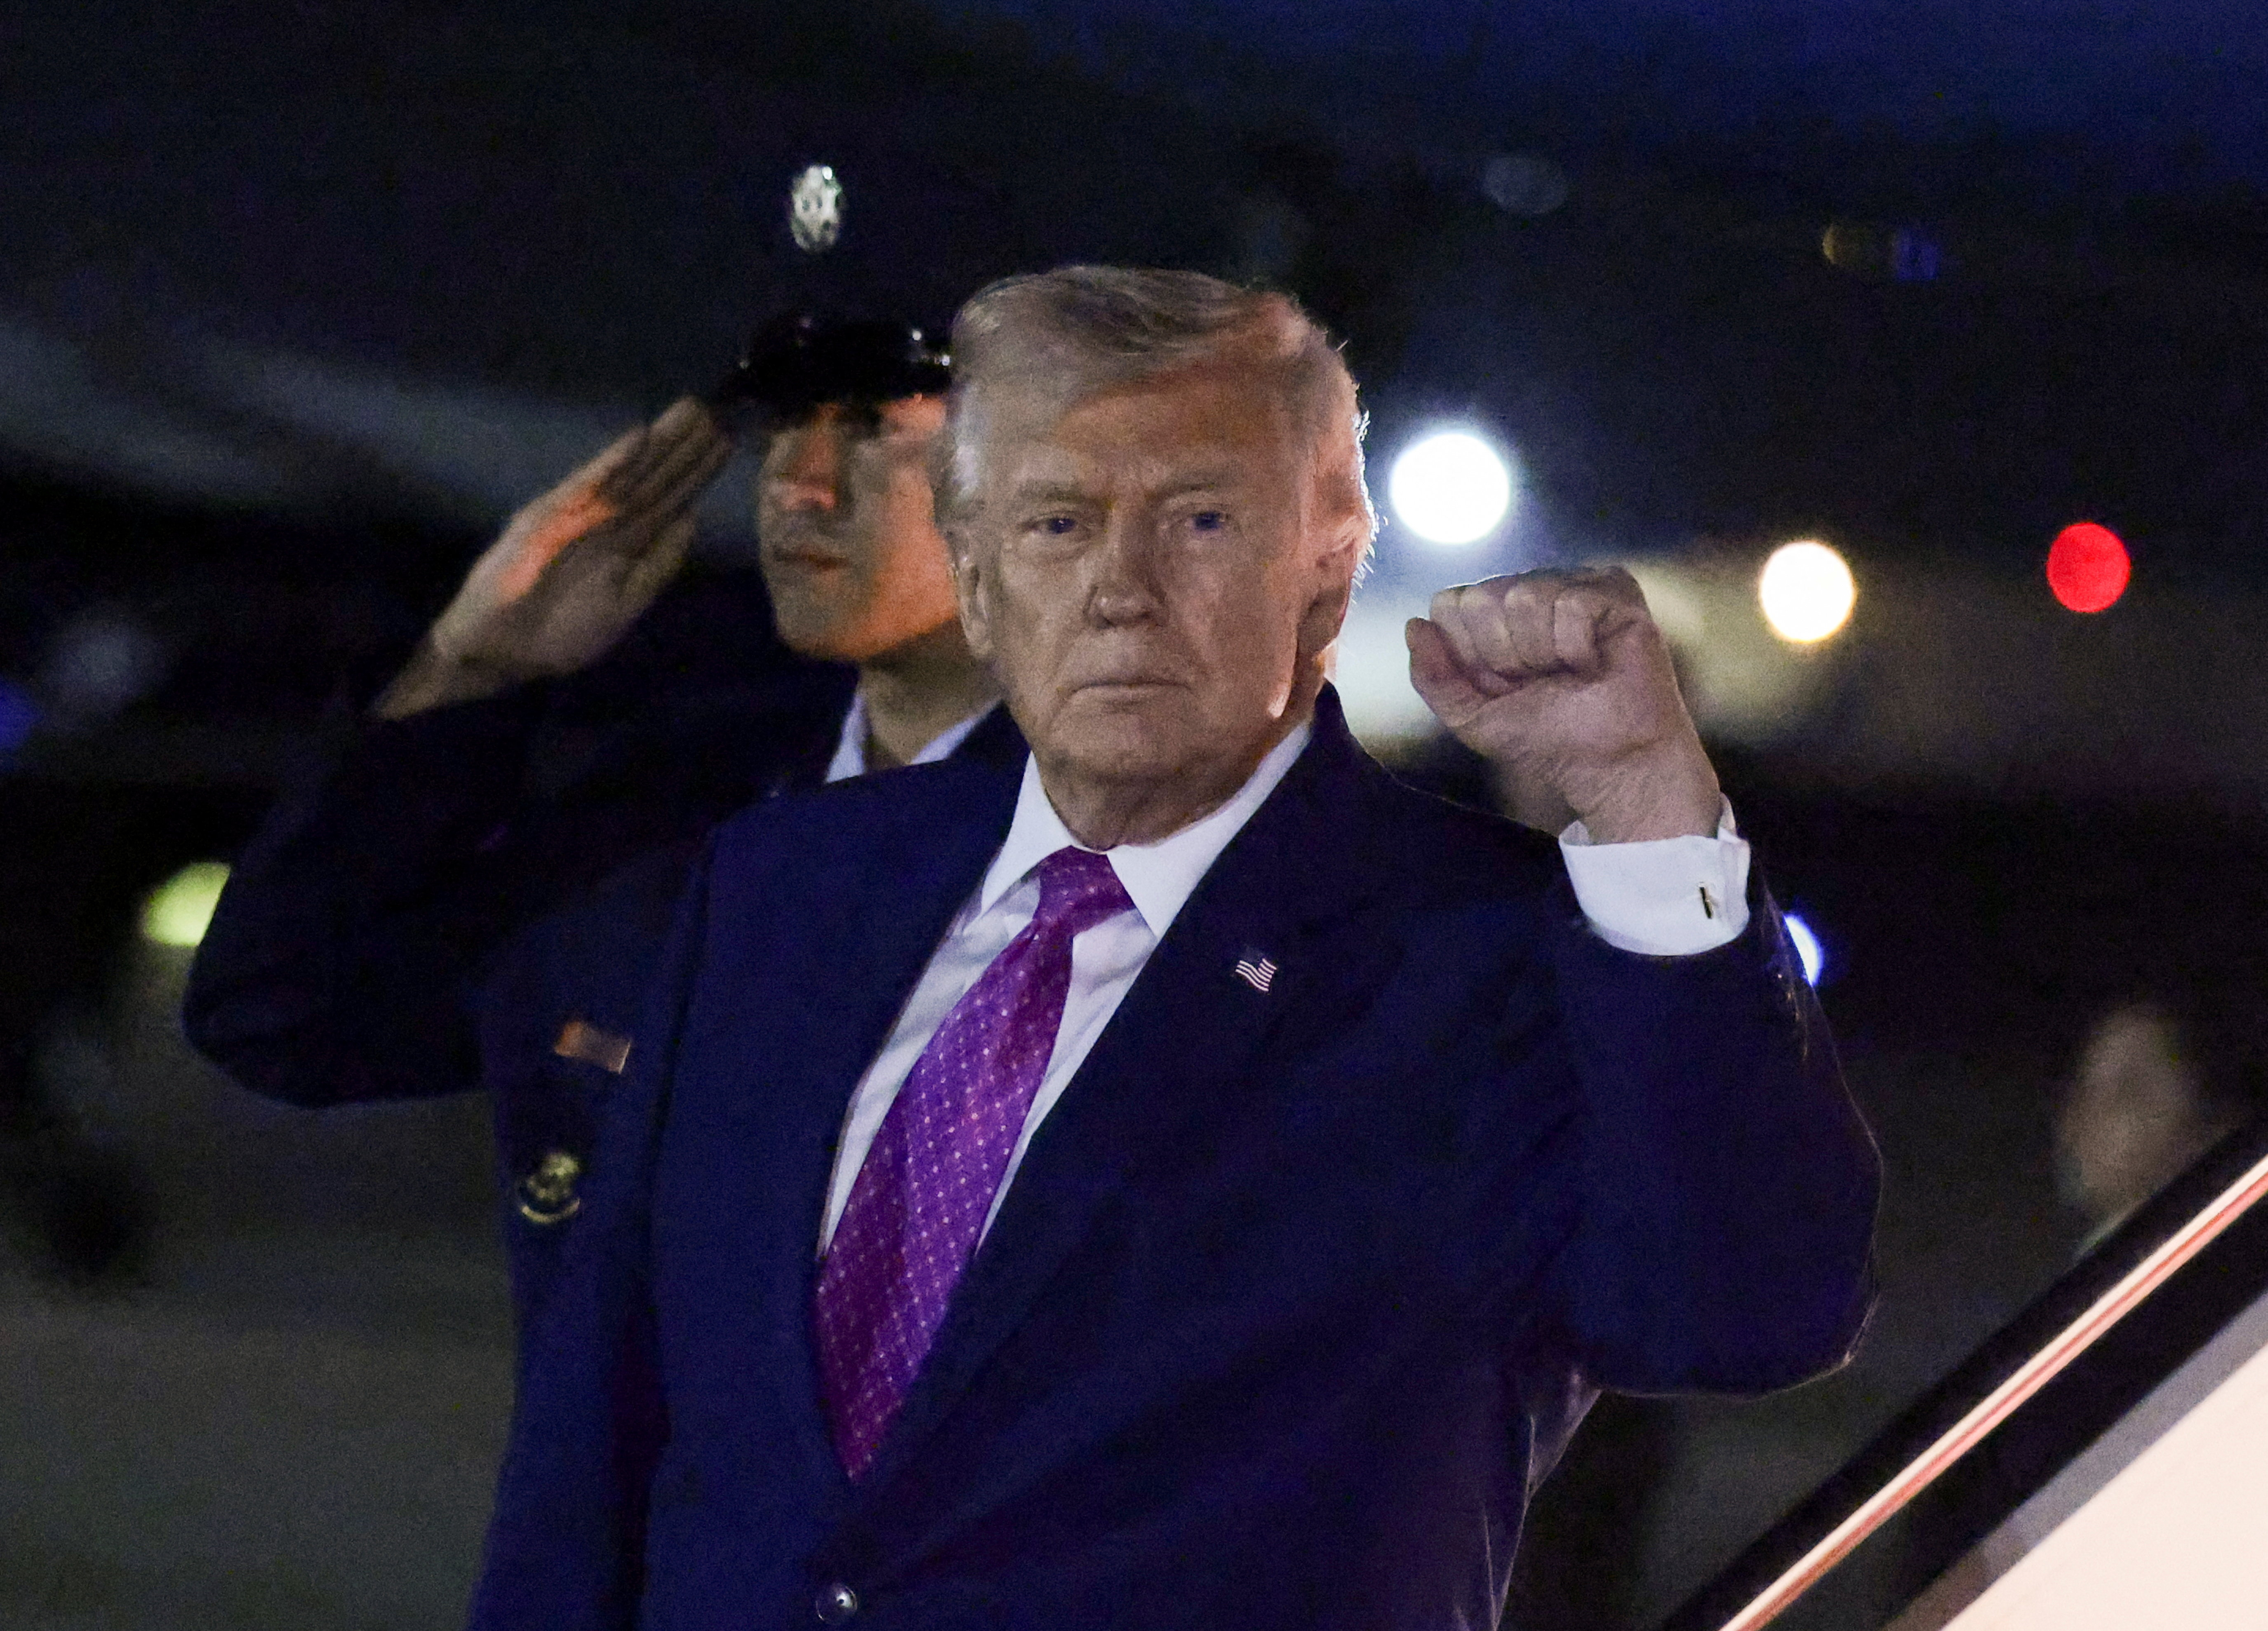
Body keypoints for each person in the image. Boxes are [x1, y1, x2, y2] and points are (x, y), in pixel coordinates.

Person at [473, 267, 1879, 1630]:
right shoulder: (783, 884)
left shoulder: (1482, 956)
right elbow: (596, 1437)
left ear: (1326, 571)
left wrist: (1644, 806)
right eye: (1057, 523)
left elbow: (1746, 1311)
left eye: (1201, 520)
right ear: (975, 582)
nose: (1121, 589)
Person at [184, 315, 1014, 1322]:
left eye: (876, 430)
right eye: (784, 427)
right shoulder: (687, 800)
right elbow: (284, 1011)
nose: (801, 483)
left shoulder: (1133, 842)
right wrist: (469, 670)